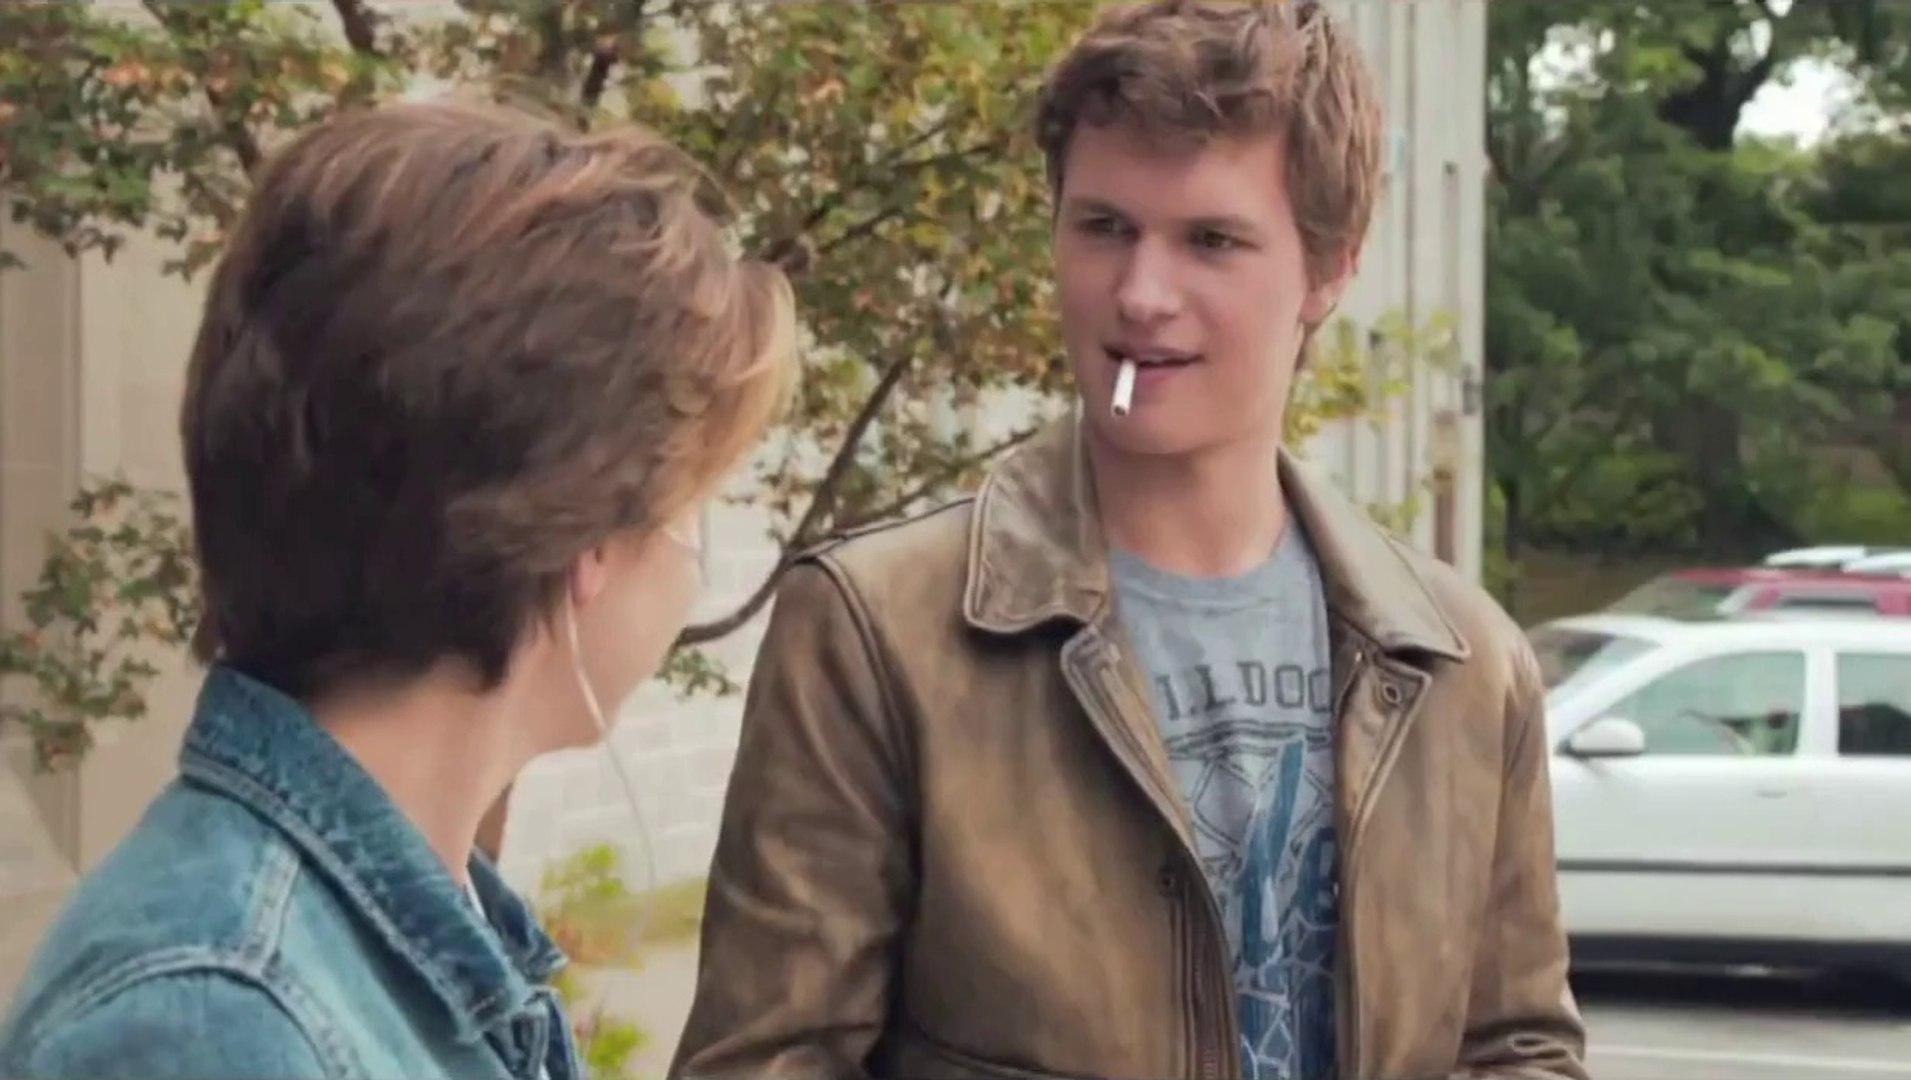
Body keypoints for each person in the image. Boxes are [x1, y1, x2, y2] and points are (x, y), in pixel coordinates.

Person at [672, 3, 1587, 1078]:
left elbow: (1517, 1045)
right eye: (1104, 227)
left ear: (1331, 267)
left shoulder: (1465, 663)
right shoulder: (877, 631)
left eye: (1211, 241)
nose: (1142, 295)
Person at [0, 100, 794, 1080]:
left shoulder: (404, 938)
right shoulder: (213, 1021)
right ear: (585, 539)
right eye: (692, 500)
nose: (692, 556)